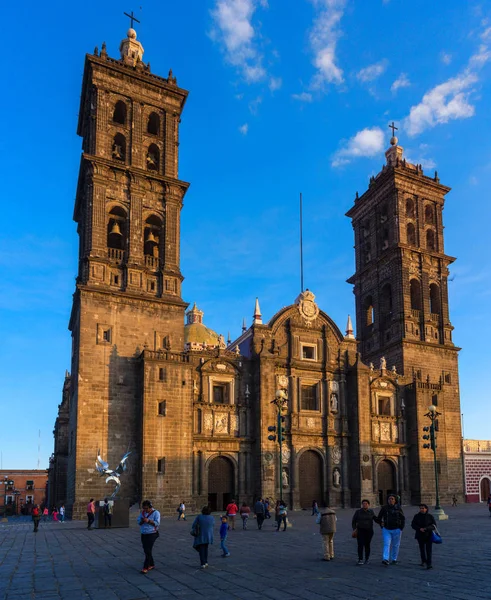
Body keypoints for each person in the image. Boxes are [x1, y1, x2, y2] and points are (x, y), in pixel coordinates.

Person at [376, 494, 405, 565]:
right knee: (386, 544)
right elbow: (379, 518)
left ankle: (394, 559)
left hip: (397, 529)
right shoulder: (384, 508)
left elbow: (402, 518)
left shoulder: (398, 508)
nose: (391, 500)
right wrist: (381, 524)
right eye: (389, 499)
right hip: (386, 529)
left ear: (395, 500)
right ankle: (385, 559)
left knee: (396, 545)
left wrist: (401, 528)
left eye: (392, 499)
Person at [137, 500, 161, 574]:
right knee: (146, 549)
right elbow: (138, 522)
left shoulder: (156, 513)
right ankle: (152, 564)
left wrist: (148, 521)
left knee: (148, 550)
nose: (145, 510)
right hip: (144, 533)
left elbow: (157, 523)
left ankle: (145, 567)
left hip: (152, 533)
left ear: (150, 507)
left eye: (147, 508)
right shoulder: (143, 513)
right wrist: (142, 521)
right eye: (144, 508)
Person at [411, 504, 436, 570]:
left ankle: (429, 563)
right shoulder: (416, 516)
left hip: (428, 535)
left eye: (423, 508)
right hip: (420, 534)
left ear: (426, 509)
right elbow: (413, 524)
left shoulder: (430, 516)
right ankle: (423, 560)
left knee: (429, 550)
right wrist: (419, 529)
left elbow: (434, 526)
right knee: (422, 549)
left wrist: (426, 528)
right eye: (420, 508)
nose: (421, 509)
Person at [352, 499, 376, 565]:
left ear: (368, 505)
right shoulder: (358, 512)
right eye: (363, 504)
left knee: (367, 545)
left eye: (366, 503)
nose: (364, 505)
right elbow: (353, 521)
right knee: (360, 545)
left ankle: (367, 559)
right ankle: (360, 559)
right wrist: (354, 529)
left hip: (369, 531)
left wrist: (381, 522)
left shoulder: (371, 511)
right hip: (360, 531)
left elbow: (375, 519)